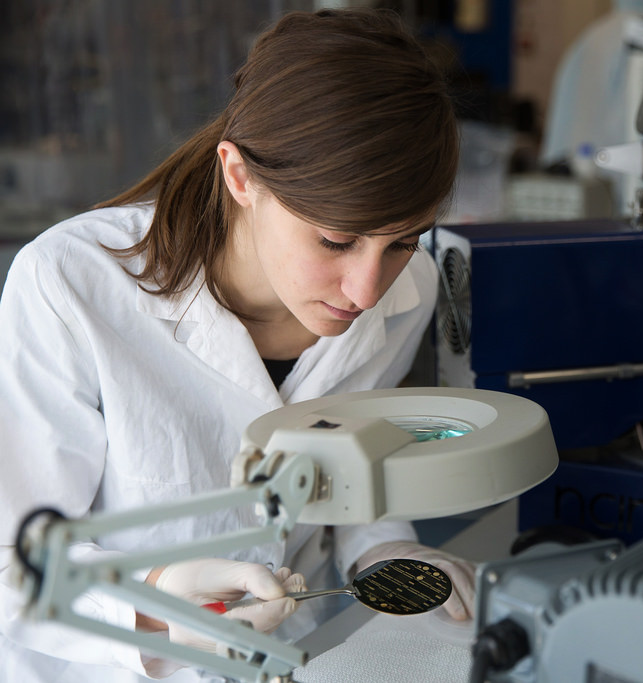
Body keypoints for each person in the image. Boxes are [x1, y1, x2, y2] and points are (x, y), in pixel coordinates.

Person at [0, 8, 475, 682]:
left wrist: (384, 549)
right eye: (335, 241)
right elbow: (10, 568)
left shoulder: (409, 292)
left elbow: (344, 471)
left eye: (401, 240)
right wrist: (155, 600)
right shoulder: (69, 286)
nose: (367, 289)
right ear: (240, 176)